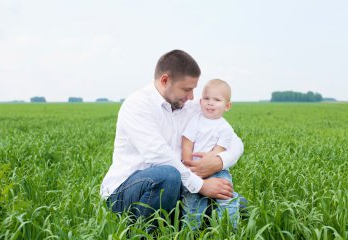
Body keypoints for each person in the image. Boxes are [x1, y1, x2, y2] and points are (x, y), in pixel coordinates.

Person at [100, 50, 244, 223]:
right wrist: (202, 186)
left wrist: (219, 161)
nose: (191, 97)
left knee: (240, 205)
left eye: (193, 90)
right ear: (165, 80)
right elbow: (159, 156)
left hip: (180, 186)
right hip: (126, 191)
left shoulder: (189, 106)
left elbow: (235, 141)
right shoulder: (138, 105)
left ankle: (181, 225)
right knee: (168, 175)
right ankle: (146, 238)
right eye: (186, 89)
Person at [181, 79, 241, 229]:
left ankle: (228, 230)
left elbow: (218, 153)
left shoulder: (225, 128)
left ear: (227, 106)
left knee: (225, 196)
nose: (210, 103)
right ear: (200, 101)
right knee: (192, 199)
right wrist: (189, 165)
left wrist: (208, 166)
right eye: (206, 98)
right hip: (193, 169)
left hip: (217, 170)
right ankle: (191, 231)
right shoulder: (195, 121)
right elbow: (187, 143)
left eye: (216, 100)